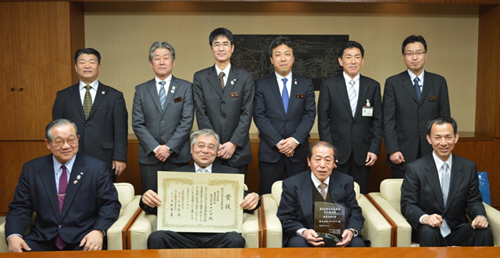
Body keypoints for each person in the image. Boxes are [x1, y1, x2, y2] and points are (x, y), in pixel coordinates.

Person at [5, 119, 121, 252]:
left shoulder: (96, 168)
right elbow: (20, 207)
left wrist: (99, 231)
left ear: (77, 139)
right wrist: (13, 235)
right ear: (48, 143)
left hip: (83, 238)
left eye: (71, 140)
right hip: (43, 239)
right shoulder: (32, 169)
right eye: (59, 141)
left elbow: (110, 204)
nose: (66, 146)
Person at [140, 129, 260, 249]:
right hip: (182, 236)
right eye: (200, 146)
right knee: (156, 237)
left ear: (217, 151)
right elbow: (156, 206)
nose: (205, 151)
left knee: (235, 239)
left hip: (217, 236)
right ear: (191, 150)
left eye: (211, 147)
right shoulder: (175, 175)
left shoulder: (231, 174)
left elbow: (245, 201)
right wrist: (146, 199)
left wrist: (255, 198)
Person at [400, 117, 493, 247]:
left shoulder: (468, 167)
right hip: (429, 229)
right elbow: (408, 204)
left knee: (484, 232)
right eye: (437, 137)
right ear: (429, 139)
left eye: (448, 137)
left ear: (456, 137)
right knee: (429, 232)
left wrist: (479, 216)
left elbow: (473, 200)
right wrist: (425, 218)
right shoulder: (415, 168)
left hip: (457, 228)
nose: (443, 143)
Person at [52, 48, 128, 182]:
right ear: (76, 67)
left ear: (99, 67)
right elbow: (56, 129)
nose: (87, 66)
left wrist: (120, 157)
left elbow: (121, 129)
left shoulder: (114, 96)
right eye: (82, 62)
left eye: (91, 62)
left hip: (105, 158)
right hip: (71, 157)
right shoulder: (63, 96)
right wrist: (59, 155)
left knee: (103, 198)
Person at [317, 41, 382, 194]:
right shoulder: (329, 85)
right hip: (337, 151)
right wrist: (329, 151)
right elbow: (322, 120)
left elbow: (378, 120)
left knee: (361, 193)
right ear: (340, 61)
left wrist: (374, 149)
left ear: (363, 60)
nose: (353, 61)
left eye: (357, 57)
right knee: (336, 192)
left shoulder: (372, 86)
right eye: (348, 57)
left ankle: (358, 219)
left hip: (364, 152)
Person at [253, 36, 316, 195]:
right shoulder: (261, 84)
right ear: (271, 59)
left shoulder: (305, 83)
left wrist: (294, 141)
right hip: (270, 152)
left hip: (298, 152)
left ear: (293, 58)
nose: (283, 58)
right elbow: (259, 115)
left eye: (287, 54)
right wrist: (279, 142)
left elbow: (309, 114)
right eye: (278, 54)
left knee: (299, 196)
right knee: (267, 196)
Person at [383, 35, 451, 178]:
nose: (415, 57)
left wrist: (441, 145)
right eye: (410, 53)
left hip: (432, 150)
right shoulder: (393, 83)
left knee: (432, 196)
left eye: (419, 53)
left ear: (425, 55)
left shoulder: (439, 82)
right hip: (402, 152)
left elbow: (444, 119)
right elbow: (388, 120)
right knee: (402, 196)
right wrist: (393, 149)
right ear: (403, 56)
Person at [193, 28, 255, 181]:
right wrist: (215, 144)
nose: (221, 48)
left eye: (225, 44)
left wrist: (233, 143)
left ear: (232, 48)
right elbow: (201, 113)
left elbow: (247, 113)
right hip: (210, 152)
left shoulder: (245, 77)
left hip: (238, 151)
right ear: (211, 48)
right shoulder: (200, 77)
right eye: (217, 44)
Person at [132, 41, 194, 194]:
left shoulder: (186, 88)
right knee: (151, 203)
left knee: (179, 201)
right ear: (150, 63)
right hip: (150, 158)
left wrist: (169, 147)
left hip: (178, 157)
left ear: (173, 62)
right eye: (157, 58)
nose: (161, 62)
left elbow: (187, 121)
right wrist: (156, 148)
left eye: (166, 58)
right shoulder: (141, 90)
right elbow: (137, 123)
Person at [277, 141, 365, 247]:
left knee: (357, 244)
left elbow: (356, 212)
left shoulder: (346, 181)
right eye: (317, 159)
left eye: (328, 160)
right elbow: (285, 216)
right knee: (298, 244)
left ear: (334, 163)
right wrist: (304, 232)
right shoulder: (292, 184)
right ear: (309, 161)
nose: (322, 165)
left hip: (340, 235)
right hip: (307, 236)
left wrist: (351, 231)